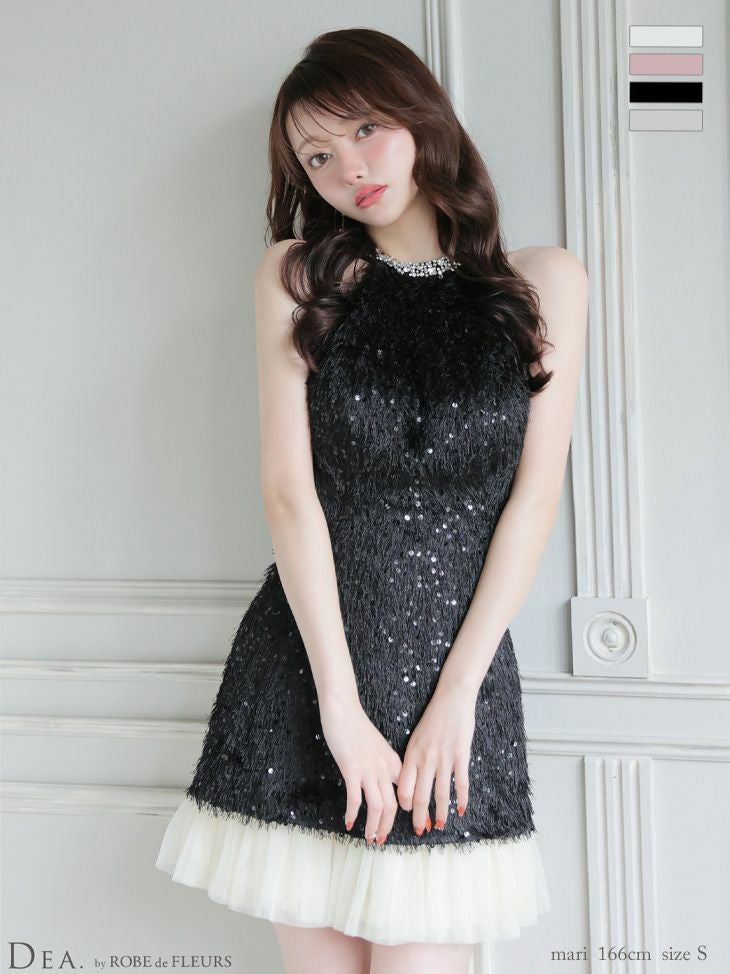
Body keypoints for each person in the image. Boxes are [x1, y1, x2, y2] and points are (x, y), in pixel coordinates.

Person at [155, 26, 588, 974]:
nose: (348, 168)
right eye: (317, 156)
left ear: (421, 115)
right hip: (306, 677)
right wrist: (340, 710)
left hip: (456, 690)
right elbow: (289, 495)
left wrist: (457, 698)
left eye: (363, 130)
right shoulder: (298, 276)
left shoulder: (545, 283)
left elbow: (532, 507)